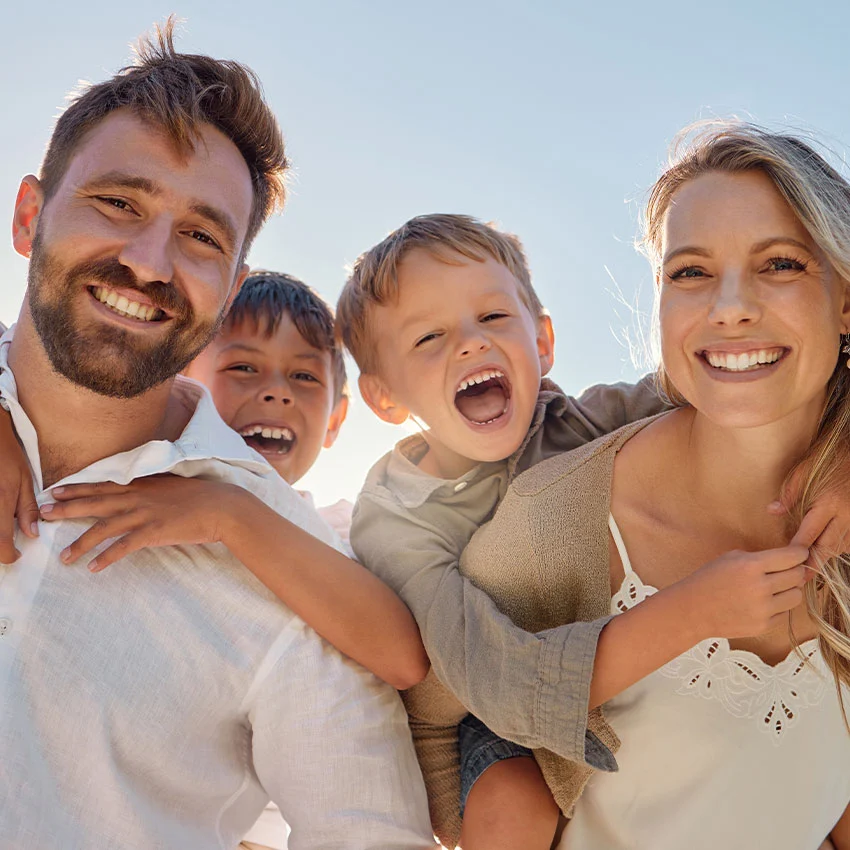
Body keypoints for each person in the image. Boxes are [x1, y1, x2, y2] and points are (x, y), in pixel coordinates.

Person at [0, 21, 435, 849]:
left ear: (228, 287)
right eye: (118, 202)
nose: (152, 261)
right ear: (30, 216)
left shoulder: (290, 580)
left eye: (200, 236)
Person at [333, 212, 834, 848]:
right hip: (479, 704)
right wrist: (695, 612)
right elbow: (487, 675)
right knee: (514, 807)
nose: (470, 344)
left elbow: (745, 389)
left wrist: (840, 461)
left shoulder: (590, 421)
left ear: (542, 341)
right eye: (429, 338)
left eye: (492, 318)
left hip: (593, 655)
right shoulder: (397, 519)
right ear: (384, 399)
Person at [448, 124, 850, 848]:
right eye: (690, 272)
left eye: (781, 263)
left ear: (845, 300)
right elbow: (426, 710)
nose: (730, 307)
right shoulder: (558, 519)